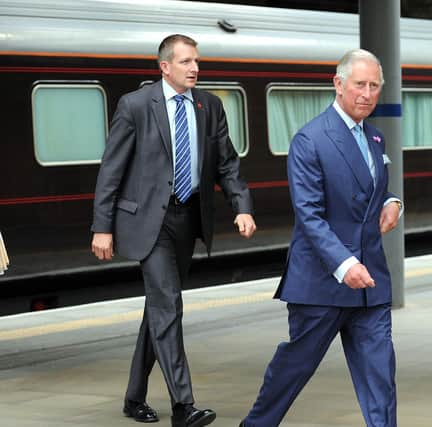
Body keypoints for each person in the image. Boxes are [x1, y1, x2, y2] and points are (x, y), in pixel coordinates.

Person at [91, 34, 256, 427]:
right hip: (149, 221)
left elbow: (227, 162)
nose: (194, 68)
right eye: (185, 62)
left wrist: (241, 206)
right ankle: (183, 406)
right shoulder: (135, 106)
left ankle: (134, 398)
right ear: (164, 67)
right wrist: (102, 227)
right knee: (169, 306)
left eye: (196, 61)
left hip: (188, 218)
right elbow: (111, 169)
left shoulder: (209, 105)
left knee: (159, 309)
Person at [240, 49, 402, 427]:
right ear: (338, 84)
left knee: (381, 377)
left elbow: (377, 189)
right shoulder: (309, 140)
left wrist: (394, 202)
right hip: (321, 284)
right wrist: (344, 265)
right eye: (359, 84)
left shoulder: (375, 137)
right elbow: (309, 216)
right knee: (294, 369)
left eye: (374, 85)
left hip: (370, 285)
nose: (367, 93)